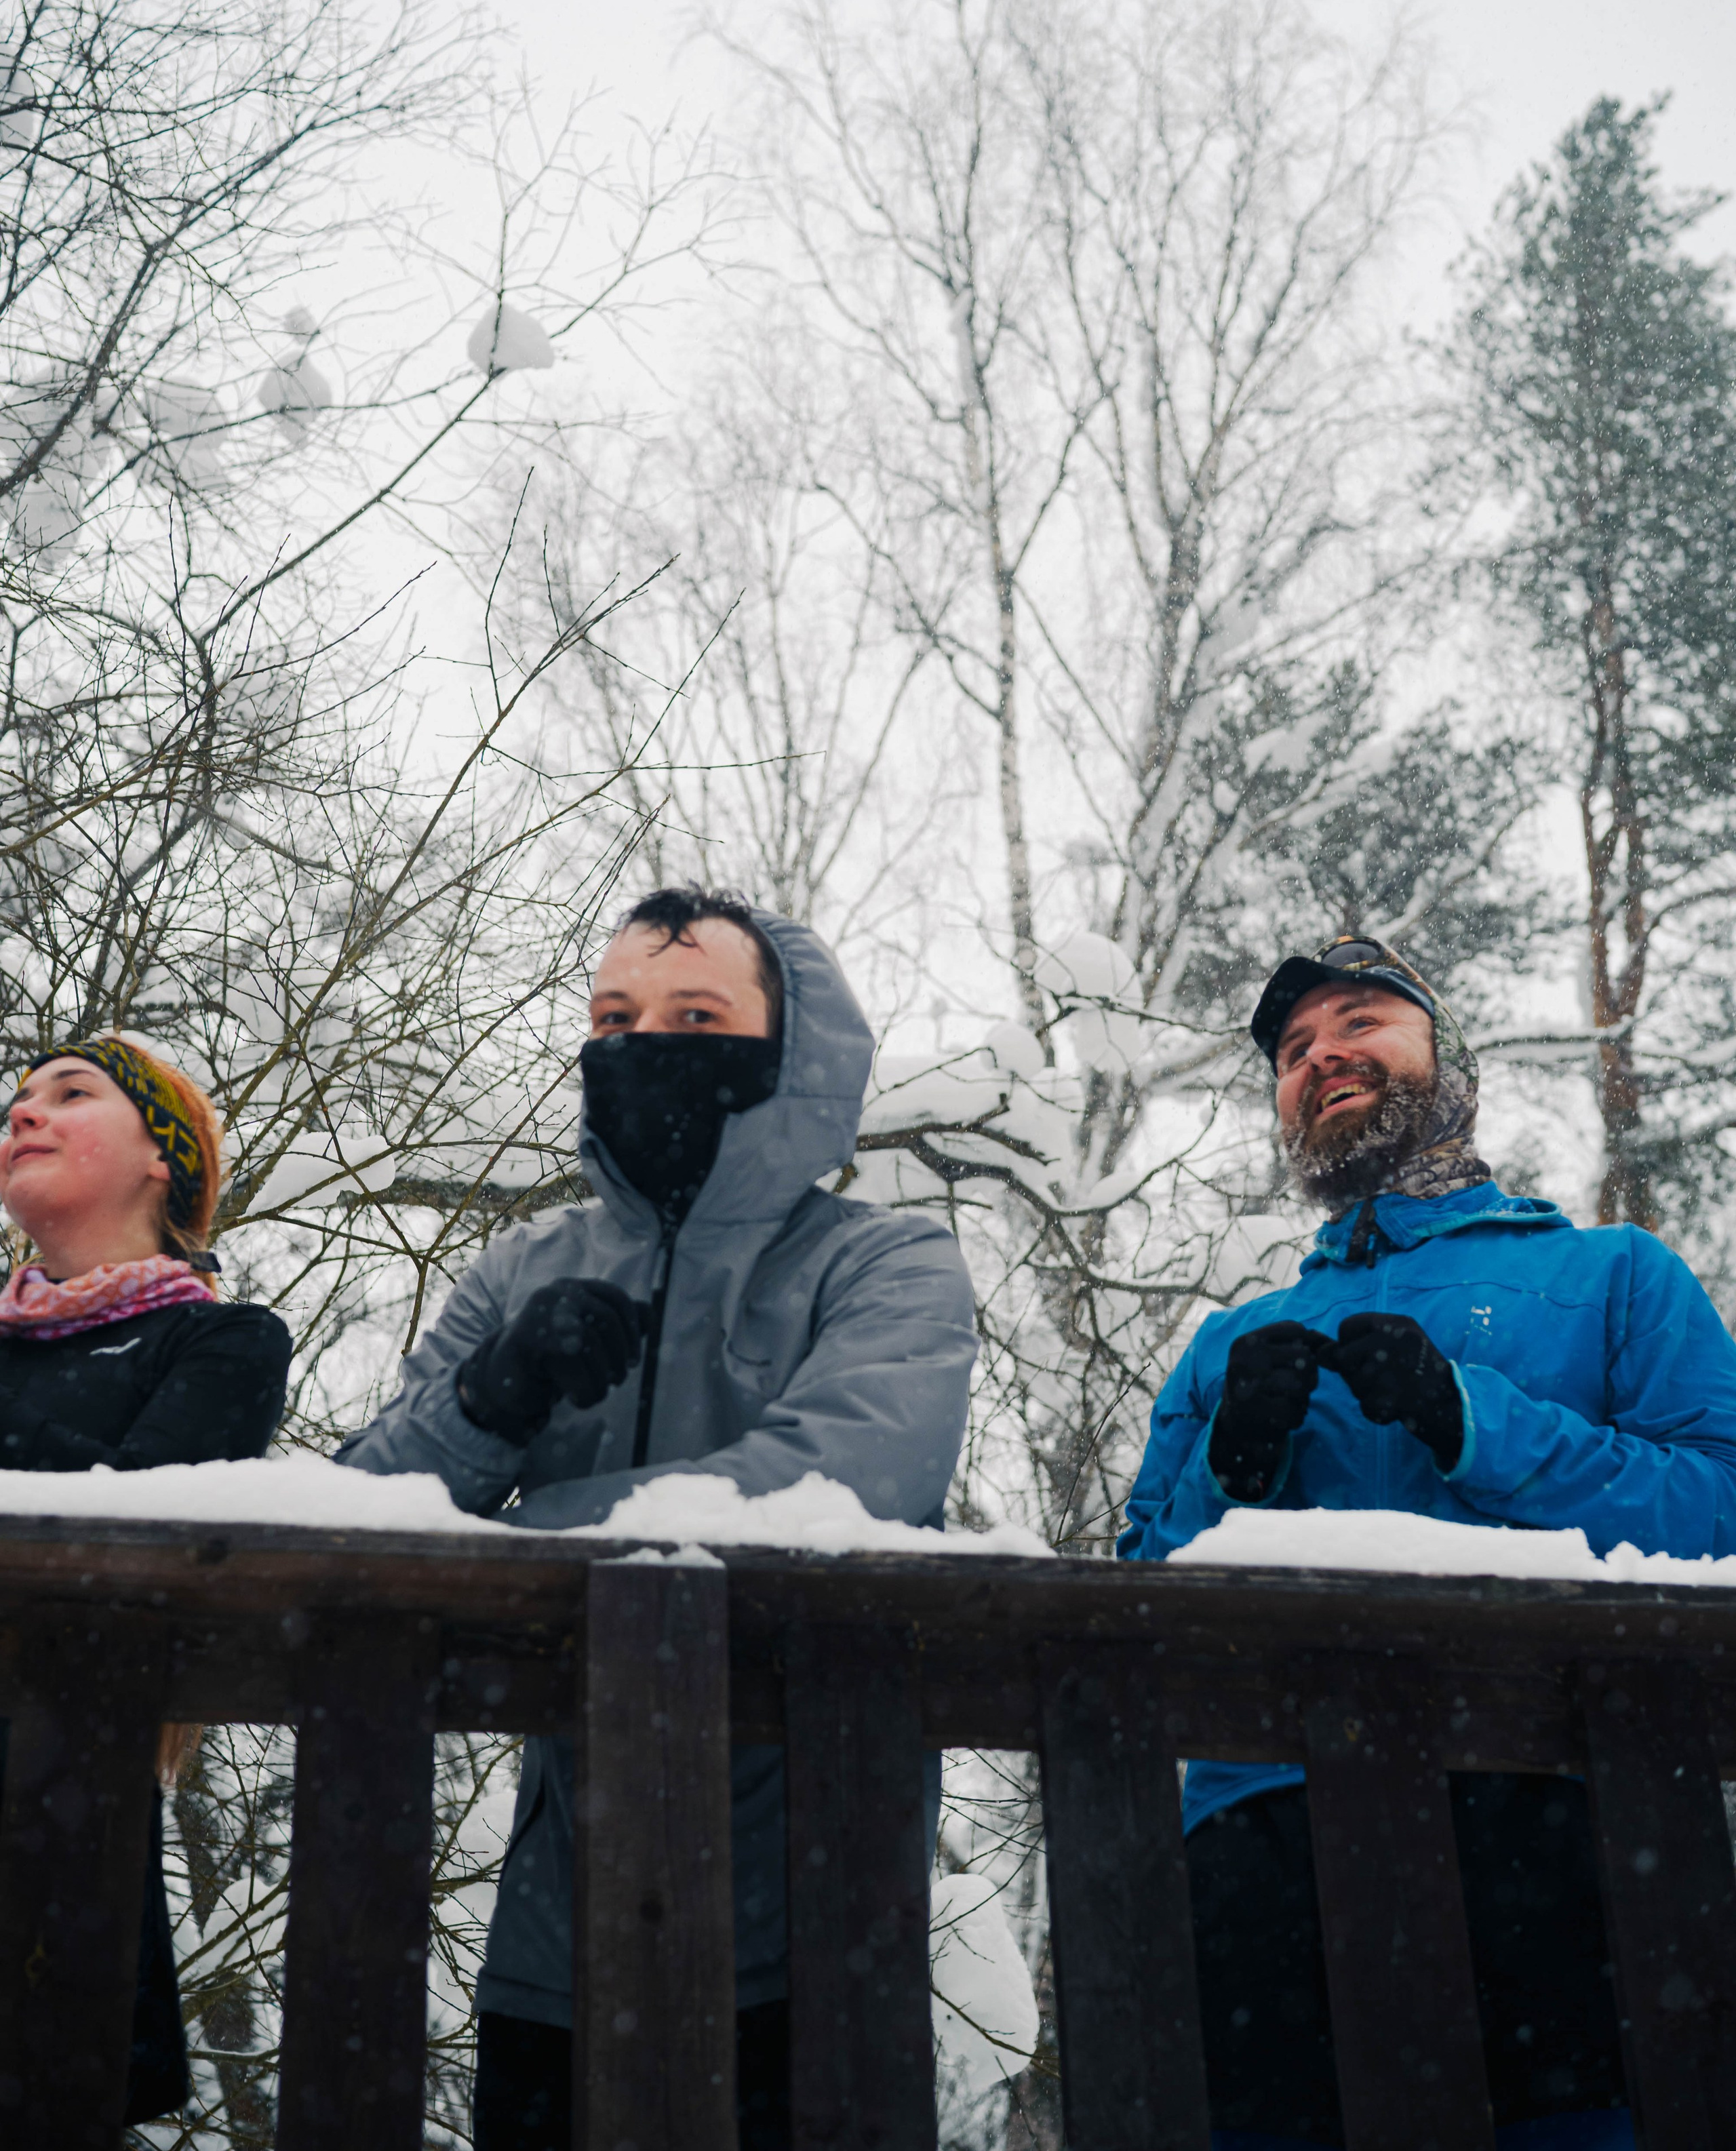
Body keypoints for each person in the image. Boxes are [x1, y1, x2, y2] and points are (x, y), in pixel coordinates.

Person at [336, 887, 979, 2151]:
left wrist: (516, 1531)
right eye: (613, 1015)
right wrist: (489, 1395)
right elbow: (359, 1520)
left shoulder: (886, 1262)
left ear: (787, 1050)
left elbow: (837, 1486)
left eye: (697, 1014)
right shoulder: (521, 1269)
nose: (645, 1043)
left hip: (820, 1915)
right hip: (558, 1930)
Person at [1120, 934, 1736, 2151]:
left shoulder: (1614, 1276)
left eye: (1361, 1023)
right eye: (1294, 1050)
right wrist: (1230, 1458)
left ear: (1449, 1062)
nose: (1322, 1057)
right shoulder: (1231, 1343)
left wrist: (1472, 1417)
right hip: (1266, 1838)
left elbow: (1716, 1513)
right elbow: (1146, 1600)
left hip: (1563, 1812)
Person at [0, 1032, 291, 2126]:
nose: (23, 1113)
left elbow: (114, 1550)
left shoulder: (220, 1347)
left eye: (68, 1094)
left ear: (162, 1158)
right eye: (17, 1100)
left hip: (58, 1830)